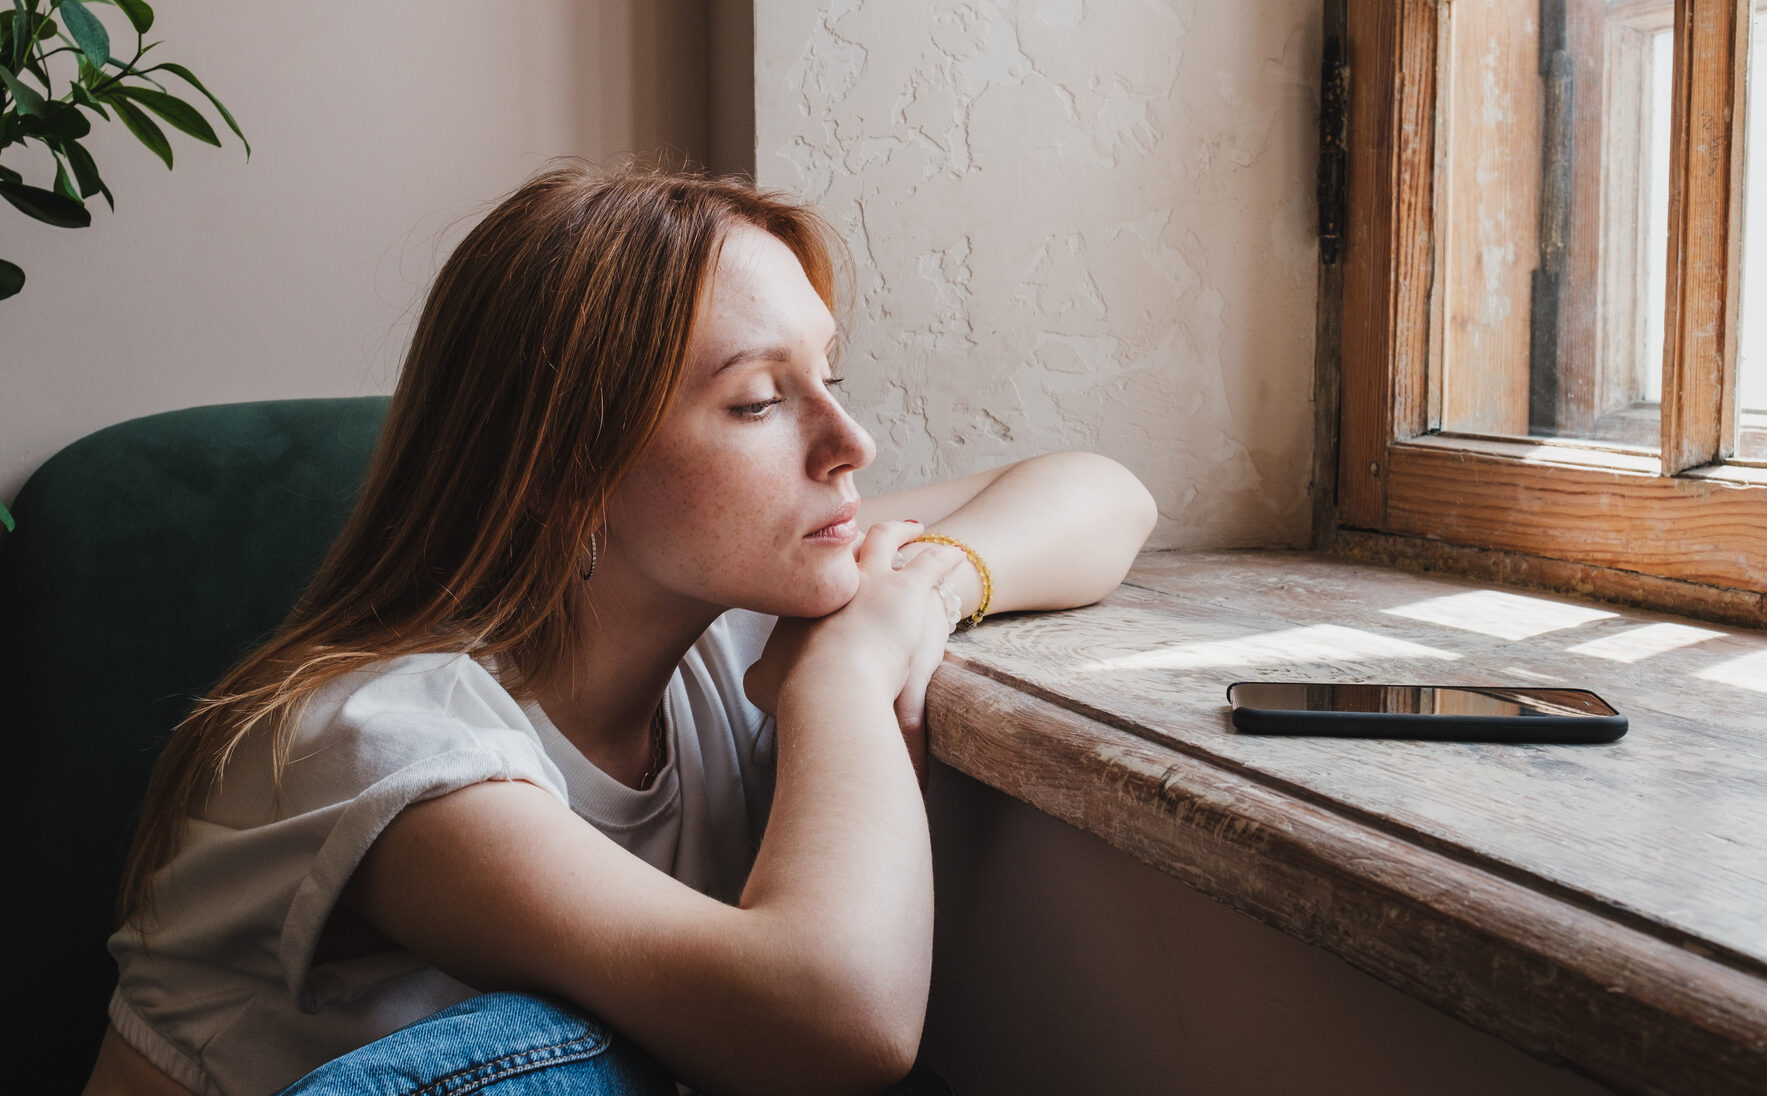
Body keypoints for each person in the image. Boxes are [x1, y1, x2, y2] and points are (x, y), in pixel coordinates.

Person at [81, 162, 1157, 1096]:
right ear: (567, 470)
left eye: (830, 374)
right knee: (554, 1056)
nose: (853, 442)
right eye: (757, 403)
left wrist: (923, 590)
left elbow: (1100, 493)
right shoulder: (385, 744)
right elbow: (839, 1023)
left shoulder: (727, 598)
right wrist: (845, 676)